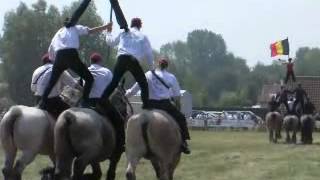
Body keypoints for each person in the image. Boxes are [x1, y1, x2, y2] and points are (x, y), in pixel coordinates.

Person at [39, 0, 109, 109]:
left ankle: (42, 103)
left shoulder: (58, 32)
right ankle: (85, 102)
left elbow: (50, 51)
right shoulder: (75, 28)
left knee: (52, 82)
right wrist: (105, 27)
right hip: (71, 55)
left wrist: (55, 62)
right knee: (89, 78)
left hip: (59, 56)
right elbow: (90, 31)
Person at [126, 58, 191, 154]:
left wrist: (125, 95)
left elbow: (134, 89)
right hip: (165, 105)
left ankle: (131, 142)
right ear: (166, 66)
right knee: (181, 118)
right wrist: (178, 106)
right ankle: (183, 142)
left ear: (157, 65)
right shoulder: (171, 77)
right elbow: (177, 96)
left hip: (150, 105)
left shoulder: (148, 74)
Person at [100, 18, 154, 109]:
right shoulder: (143, 36)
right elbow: (149, 54)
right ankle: (146, 106)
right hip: (133, 61)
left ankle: (102, 100)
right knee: (143, 83)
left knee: (114, 82)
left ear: (131, 24)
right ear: (140, 26)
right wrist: (152, 68)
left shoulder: (123, 32)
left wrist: (108, 32)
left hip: (121, 59)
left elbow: (110, 42)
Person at [87, 52, 125, 152]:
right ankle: (121, 145)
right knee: (120, 121)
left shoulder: (85, 70)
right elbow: (114, 86)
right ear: (100, 61)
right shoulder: (106, 71)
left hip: (86, 102)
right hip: (101, 102)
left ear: (90, 61)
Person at [31, 53, 79, 118]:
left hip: (39, 100)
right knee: (71, 117)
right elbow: (74, 84)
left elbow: (33, 89)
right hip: (53, 102)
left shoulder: (37, 70)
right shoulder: (59, 69)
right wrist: (83, 90)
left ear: (43, 62)